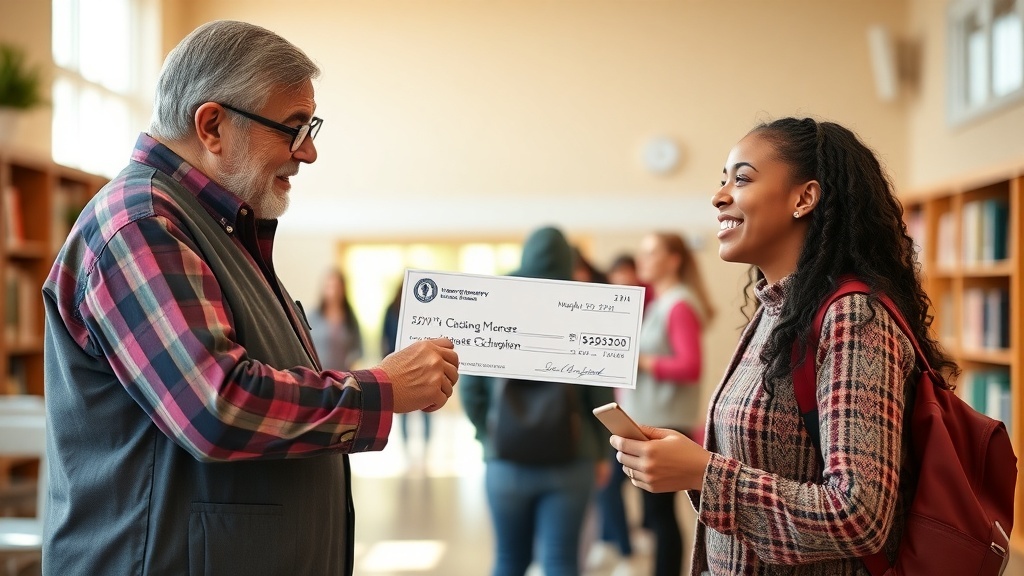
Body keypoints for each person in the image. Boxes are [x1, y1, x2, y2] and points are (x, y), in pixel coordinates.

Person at [41, 20, 458, 576]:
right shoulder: (141, 225)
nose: (307, 152)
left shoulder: (217, 226)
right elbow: (218, 404)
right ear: (212, 125)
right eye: (292, 127)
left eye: (311, 127)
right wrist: (381, 391)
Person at [611, 117, 958, 575]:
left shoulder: (852, 317)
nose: (718, 196)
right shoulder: (774, 311)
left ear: (804, 198)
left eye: (742, 178)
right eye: (722, 180)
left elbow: (858, 515)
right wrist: (691, 464)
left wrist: (704, 473)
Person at [461, 226, 616, 576]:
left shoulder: (494, 304)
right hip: (572, 459)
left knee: (507, 561)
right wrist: (601, 453)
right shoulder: (587, 309)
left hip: (505, 459)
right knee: (561, 561)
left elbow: (471, 390)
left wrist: (487, 433)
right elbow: (601, 396)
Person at [616, 232, 714, 576]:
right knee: (655, 516)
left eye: (650, 253)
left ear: (673, 260)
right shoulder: (662, 302)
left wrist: (640, 361)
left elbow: (691, 366)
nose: (641, 260)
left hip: (666, 424)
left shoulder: (679, 304)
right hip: (650, 419)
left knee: (661, 517)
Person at [381, 282, 432, 449]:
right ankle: (406, 448)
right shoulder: (391, 310)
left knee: (427, 407)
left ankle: (425, 447)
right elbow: (385, 336)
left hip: (423, 364)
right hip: (399, 364)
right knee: (403, 408)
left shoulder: (423, 310)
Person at [308, 269, 364, 372]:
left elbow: (358, 349)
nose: (333, 292)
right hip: (318, 374)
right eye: (329, 287)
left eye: (337, 287)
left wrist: (352, 362)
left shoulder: (350, 318)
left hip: (342, 375)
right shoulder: (313, 316)